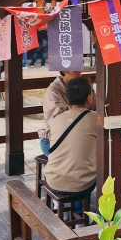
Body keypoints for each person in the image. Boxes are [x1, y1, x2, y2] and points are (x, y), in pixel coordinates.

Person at [43, 77, 98, 205]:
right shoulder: (96, 118)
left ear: (68, 99)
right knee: (89, 169)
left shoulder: (56, 120)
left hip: (53, 179)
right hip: (82, 184)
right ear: (89, 99)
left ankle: (59, 206)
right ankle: (81, 216)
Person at [39, 69, 82, 158]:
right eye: (77, 69)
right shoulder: (53, 90)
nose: (80, 71)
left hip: (76, 136)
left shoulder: (80, 85)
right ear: (66, 71)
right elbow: (60, 118)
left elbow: (93, 105)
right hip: (52, 139)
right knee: (75, 159)